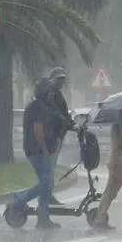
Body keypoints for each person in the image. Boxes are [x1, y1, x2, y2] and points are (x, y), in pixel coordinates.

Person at [10, 80, 59, 229]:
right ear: (44, 92)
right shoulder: (40, 108)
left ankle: (43, 218)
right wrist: (45, 148)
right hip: (37, 150)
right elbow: (38, 130)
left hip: (32, 149)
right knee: (47, 182)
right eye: (49, 92)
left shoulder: (33, 105)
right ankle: (20, 199)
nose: (51, 95)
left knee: (46, 184)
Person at [44, 67, 74, 204]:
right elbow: (54, 112)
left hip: (58, 135)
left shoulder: (58, 94)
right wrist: (65, 121)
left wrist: (71, 123)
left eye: (62, 80)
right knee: (49, 167)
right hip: (51, 136)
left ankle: (48, 194)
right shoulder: (50, 94)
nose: (61, 82)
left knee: (51, 166)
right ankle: (46, 195)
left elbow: (63, 112)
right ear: (52, 79)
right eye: (58, 79)